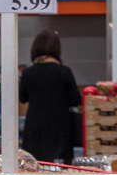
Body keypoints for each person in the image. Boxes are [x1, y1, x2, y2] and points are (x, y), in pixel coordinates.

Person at [19, 30, 81, 163]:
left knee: (35, 166)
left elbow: (22, 98)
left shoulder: (28, 72)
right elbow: (75, 100)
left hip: (35, 127)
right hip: (60, 127)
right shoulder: (64, 71)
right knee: (60, 169)